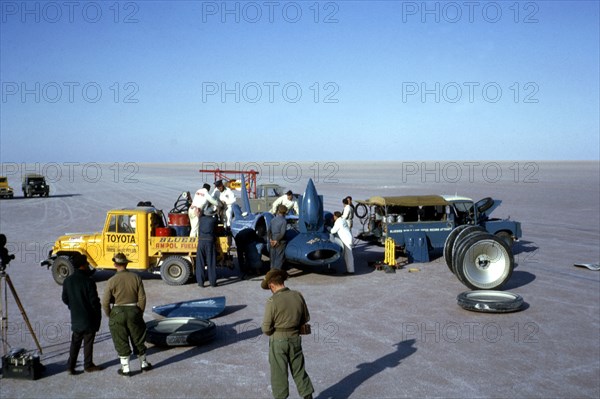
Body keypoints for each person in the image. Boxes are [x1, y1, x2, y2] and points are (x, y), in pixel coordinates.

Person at [261, 269, 314, 399]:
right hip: (295, 339)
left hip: (278, 342)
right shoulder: (297, 295)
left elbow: (266, 329)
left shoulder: (272, 301)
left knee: (279, 375)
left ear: (271, 285)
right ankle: (308, 396)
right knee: (299, 371)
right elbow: (306, 318)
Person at [102, 252, 152, 376]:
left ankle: (126, 369)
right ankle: (144, 364)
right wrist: (139, 312)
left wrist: (110, 314)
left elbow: (105, 301)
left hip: (117, 312)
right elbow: (142, 298)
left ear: (115, 264)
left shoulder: (111, 280)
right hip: (133, 310)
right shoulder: (136, 277)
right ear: (126, 263)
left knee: (121, 340)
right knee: (138, 338)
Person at [61, 253, 102, 375]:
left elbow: (65, 298)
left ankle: (70, 366)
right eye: (86, 263)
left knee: (75, 342)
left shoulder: (68, 281)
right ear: (83, 265)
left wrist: (73, 307)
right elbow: (94, 302)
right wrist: (97, 315)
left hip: (76, 317)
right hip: (88, 318)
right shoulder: (88, 281)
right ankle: (88, 365)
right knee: (88, 341)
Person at [196, 208, 218, 287]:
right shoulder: (213, 220)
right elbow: (217, 218)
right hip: (209, 242)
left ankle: (200, 283)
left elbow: (199, 214)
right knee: (211, 262)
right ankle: (212, 282)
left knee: (200, 262)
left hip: (201, 242)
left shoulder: (201, 219)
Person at [269, 205, 288, 270]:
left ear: (278, 211)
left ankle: (272, 271)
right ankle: (276, 273)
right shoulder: (284, 221)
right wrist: (277, 240)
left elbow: (269, 231)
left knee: (272, 258)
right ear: (285, 212)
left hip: (272, 240)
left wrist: (271, 240)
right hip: (280, 241)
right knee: (279, 258)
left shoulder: (272, 220)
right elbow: (282, 233)